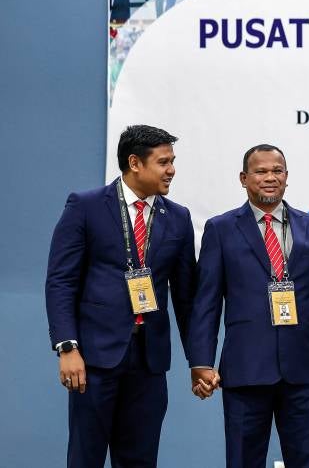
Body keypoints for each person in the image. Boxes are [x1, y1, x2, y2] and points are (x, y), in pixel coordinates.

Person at [45, 125, 196, 468]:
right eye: (163, 162)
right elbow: (60, 281)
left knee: (141, 461)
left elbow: (187, 297)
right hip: (94, 359)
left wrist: (198, 360)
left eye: (172, 161)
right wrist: (67, 347)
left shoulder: (179, 218)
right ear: (135, 163)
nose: (171, 169)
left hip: (149, 362)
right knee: (86, 459)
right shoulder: (85, 206)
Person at [187, 144, 309, 468]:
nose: (270, 177)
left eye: (277, 171)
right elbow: (206, 303)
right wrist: (201, 361)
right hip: (245, 371)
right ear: (244, 178)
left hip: (303, 372)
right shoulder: (221, 229)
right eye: (261, 171)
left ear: (287, 177)